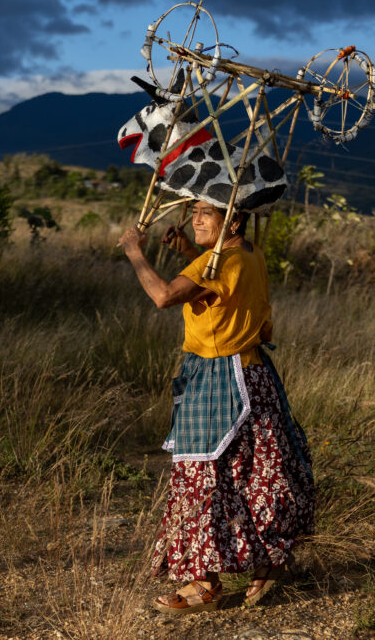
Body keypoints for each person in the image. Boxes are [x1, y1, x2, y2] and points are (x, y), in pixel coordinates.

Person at [118, 201, 315, 614]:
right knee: (251, 472)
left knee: (202, 474)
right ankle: (267, 565)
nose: (197, 219)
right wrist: (191, 253)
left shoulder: (223, 260)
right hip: (253, 374)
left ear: (236, 219)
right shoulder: (248, 252)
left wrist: (135, 251)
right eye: (194, 211)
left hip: (222, 378)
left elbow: (164, 295)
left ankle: (204, 583)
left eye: (208, 212)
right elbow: (220, 285)